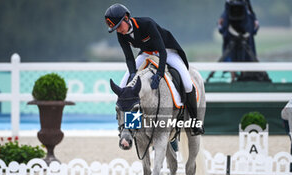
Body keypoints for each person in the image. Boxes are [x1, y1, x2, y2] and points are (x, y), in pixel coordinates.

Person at [105, 3, 204, 135]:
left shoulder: (147, 24)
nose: (118, 30)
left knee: (187, 83)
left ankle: (194, 122)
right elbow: (129, 58)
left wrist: (159, 74)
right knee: (124, 85)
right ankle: (125, 125)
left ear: (127, 18)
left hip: (167, 51)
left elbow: (162, 51)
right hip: (146, 53)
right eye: (115, 28)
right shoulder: (121, 34)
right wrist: (133, 73)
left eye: (119, 26)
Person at [218, 0, 259, 81]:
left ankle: (243, 76)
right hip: (233, 38)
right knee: (233, 55)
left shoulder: (245, 5)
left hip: (243, 38)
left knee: (244, 55)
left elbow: (222, 26)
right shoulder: (230, 5)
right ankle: (235, 77)